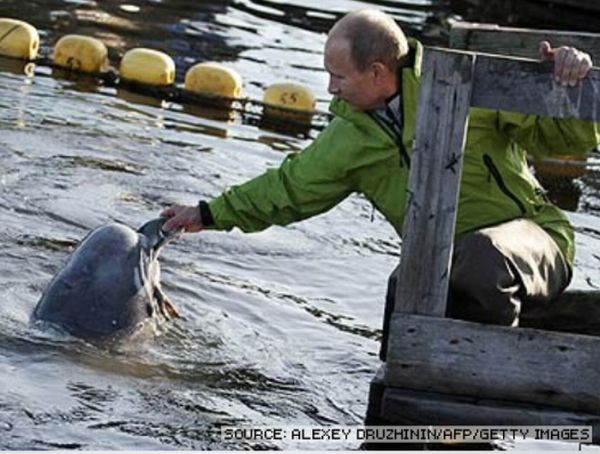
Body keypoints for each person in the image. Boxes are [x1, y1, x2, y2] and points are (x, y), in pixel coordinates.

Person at [161, 9, 600, 359]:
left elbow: (561, 139)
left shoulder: (466, 84)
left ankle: (490, 371)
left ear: (377, 71)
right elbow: (287, 189)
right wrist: (206, 213)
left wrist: (569, 83)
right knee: (402, 284)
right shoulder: (348, 135)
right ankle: (398, 402)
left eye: (338, 76)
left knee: (480, 257)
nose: (330, 89)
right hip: (445, 265)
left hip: (534, 243)